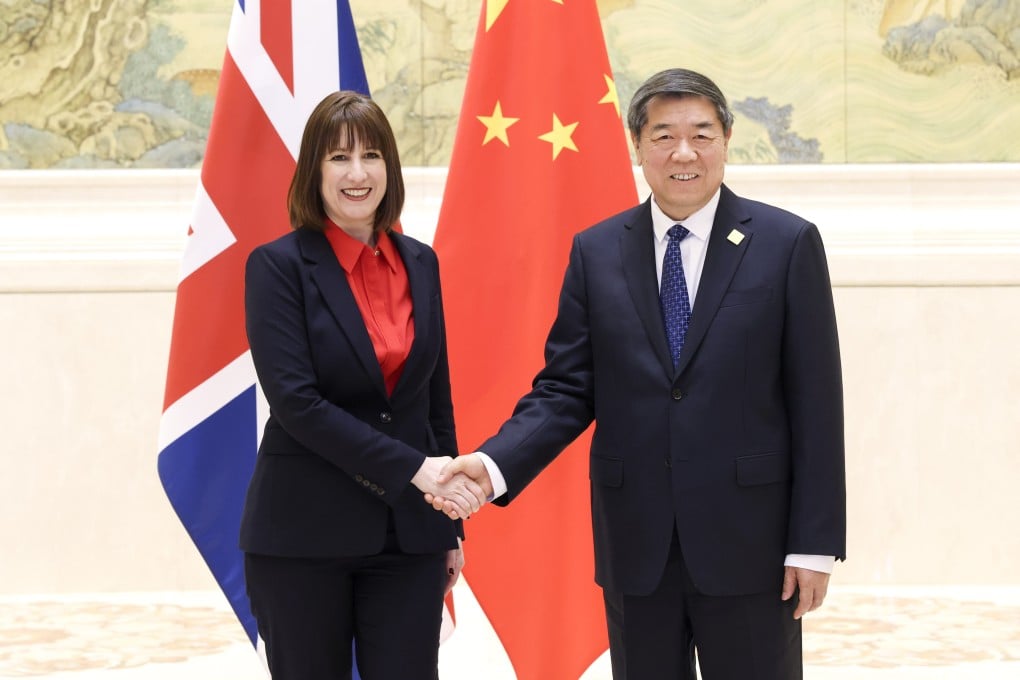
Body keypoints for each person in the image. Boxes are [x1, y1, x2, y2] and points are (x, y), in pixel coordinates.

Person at [430, 68, 846, 679]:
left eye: (702, 134)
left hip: (751, 545)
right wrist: (492, 466)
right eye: (663, 136)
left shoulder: (786, 244)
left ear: (728, 138)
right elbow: (567, 390)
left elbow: (817, 405)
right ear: (638, 146)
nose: (684, 153)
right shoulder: (597, 252)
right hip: (637, 546)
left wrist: (813, 544)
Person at [239, 90, 486, 680]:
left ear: (389, 169)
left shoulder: (421, 262)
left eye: (371, 156)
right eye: (338, 158)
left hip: (409, 536)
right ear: (313, 171)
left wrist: (449, 521)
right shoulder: (277, 267)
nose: (357, 174)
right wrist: (410, 467)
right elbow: (297, 404)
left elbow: (435, 399)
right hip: (302, 535)